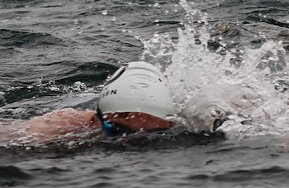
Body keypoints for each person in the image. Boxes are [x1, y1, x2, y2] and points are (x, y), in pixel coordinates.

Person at [0, 61, 176, 145]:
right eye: (117, 130)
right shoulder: (60, 127)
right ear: (95, 119)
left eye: (156, 133)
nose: (130, 141)